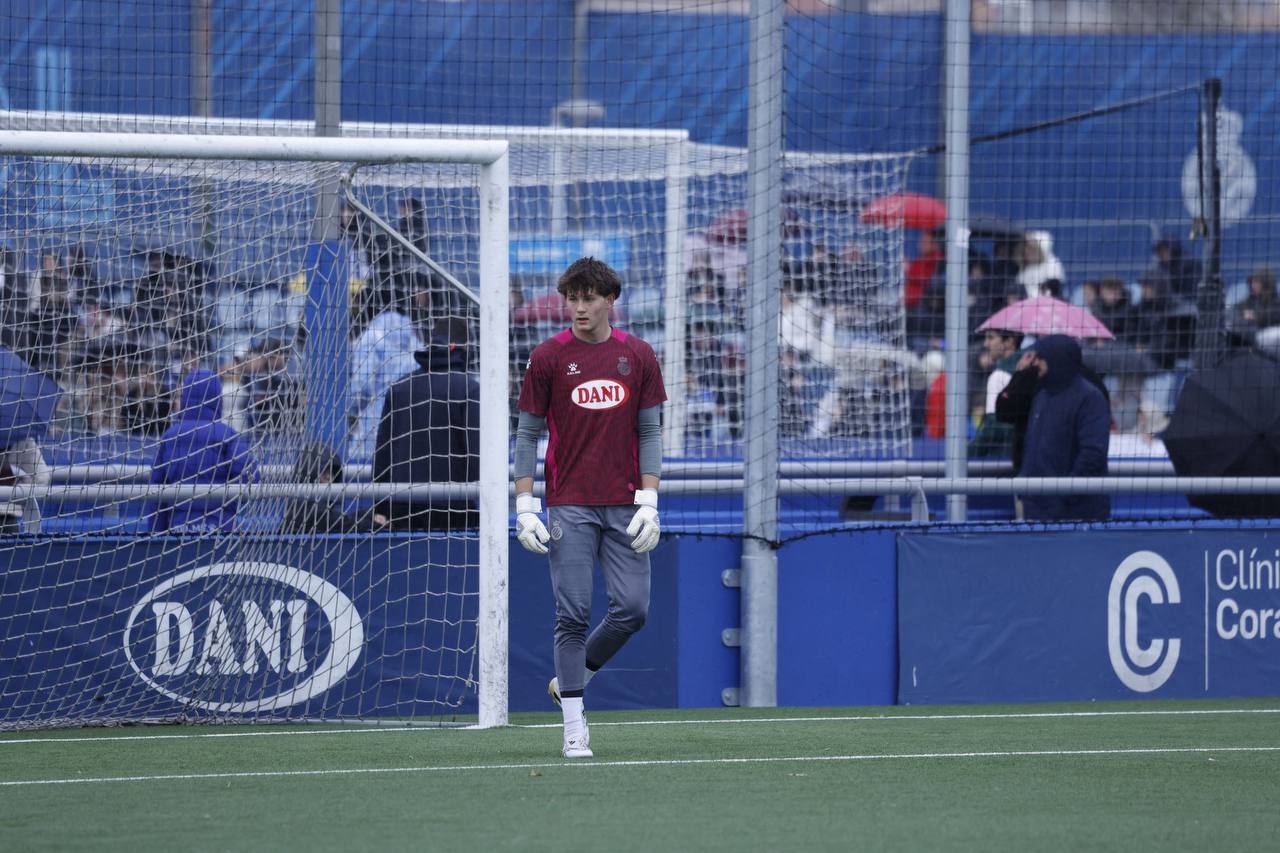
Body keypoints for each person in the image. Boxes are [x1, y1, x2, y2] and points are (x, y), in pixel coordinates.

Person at [513, 257, 666, 759]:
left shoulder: (639, 355)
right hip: (570, 504)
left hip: (625, 503)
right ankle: (574, 726)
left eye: (588, 298)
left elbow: (649, 431)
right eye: (572, 298)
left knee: (633, 610)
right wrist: (525, 503)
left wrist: (649, 498)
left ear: (610, 301)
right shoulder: (548, 357)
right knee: (572, 614)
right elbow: (528, 435)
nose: (578, 307)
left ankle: (570, 682)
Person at [372, 318, 479, 530]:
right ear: (466, 347)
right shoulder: (469, 389)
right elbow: (476, 457)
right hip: (454, 513)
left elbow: (383, 455)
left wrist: (381, 508)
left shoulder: (400, 388)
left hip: (402, 512)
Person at [1001, 335, 1110, 522]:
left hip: (1075, 513)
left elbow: (1093, 454)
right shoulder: (1042, 393)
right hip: (1036, 506)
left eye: (1041, 358)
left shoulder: (1089, 398)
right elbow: (1029, 440)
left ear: (1057, 359)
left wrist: (1067, 493)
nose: (1036, 363)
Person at [149, 368, 258, 533]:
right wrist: (228, 504)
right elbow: (251, 476)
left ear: (185, 397)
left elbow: (156, 490)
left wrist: (156, 532)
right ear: (217, 398)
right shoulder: (227, 435)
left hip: (177, 532)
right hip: (220, 528)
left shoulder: (170, 437)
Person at [280, 440, 384, 534]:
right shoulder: (308, 508)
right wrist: (375, 522)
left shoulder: (305, 505)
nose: (329, 476)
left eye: (332, 472)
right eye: (324, 470)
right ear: (311, 471)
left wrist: (369, 514)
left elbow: (341, 520)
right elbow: (345, 523)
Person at [968, 328, 1023, 458]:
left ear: (1009, 341)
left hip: (1000, 457)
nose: (986, 344)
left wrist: (967, 452)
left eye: (991, 338)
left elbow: (994, 427)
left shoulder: (999, 375)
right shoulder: (1031, 368)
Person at [0, 438, 52, 534]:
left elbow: (41, 479)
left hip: (6, 517)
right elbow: (41, 479)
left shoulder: (24, 440)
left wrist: (15, 474)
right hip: (7, 517)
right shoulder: (23, 435)